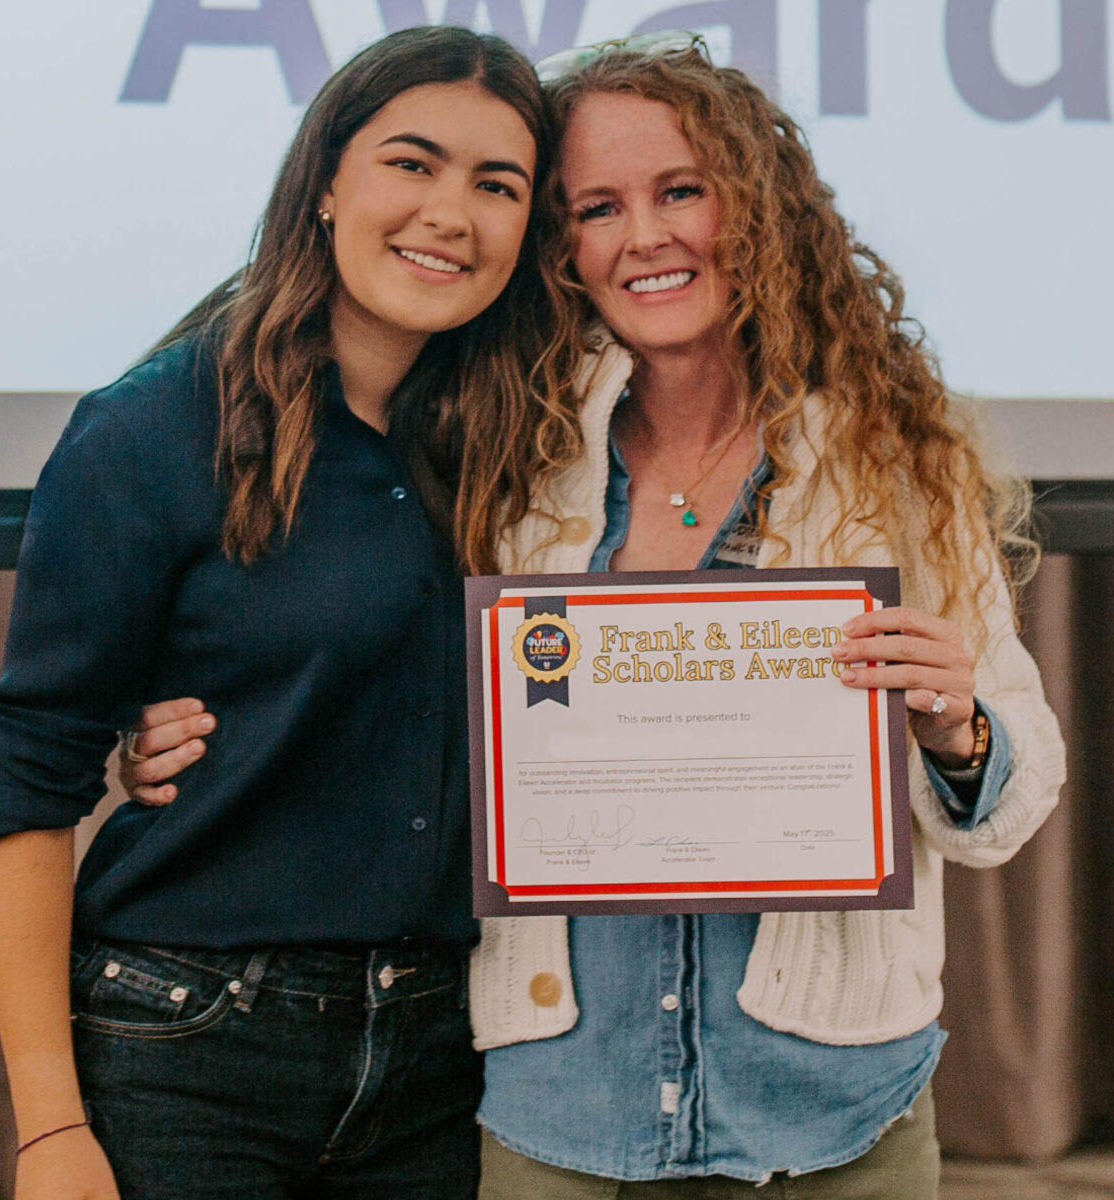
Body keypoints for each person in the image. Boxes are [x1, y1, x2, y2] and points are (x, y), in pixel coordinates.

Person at [127, 32, 1065, 1200]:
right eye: (594, 208)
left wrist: (957, 732)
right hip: (561, 1110)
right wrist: (167, 719)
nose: (645, 236)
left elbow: (1007, 807)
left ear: (759, 210)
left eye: (682, 192)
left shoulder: (891, 466)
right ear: (559, 249)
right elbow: (357, 660)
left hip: (832, 1113)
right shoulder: (501, 454)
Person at [0, 26, 587, 1200]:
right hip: (188, 1048)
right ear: (326, 186)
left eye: (498, 185)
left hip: (445, 1062)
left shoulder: (533, 446)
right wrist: (49, 1131)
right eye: (413, 162)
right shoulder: (149, 432)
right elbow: (23, 805)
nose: (452, 212)